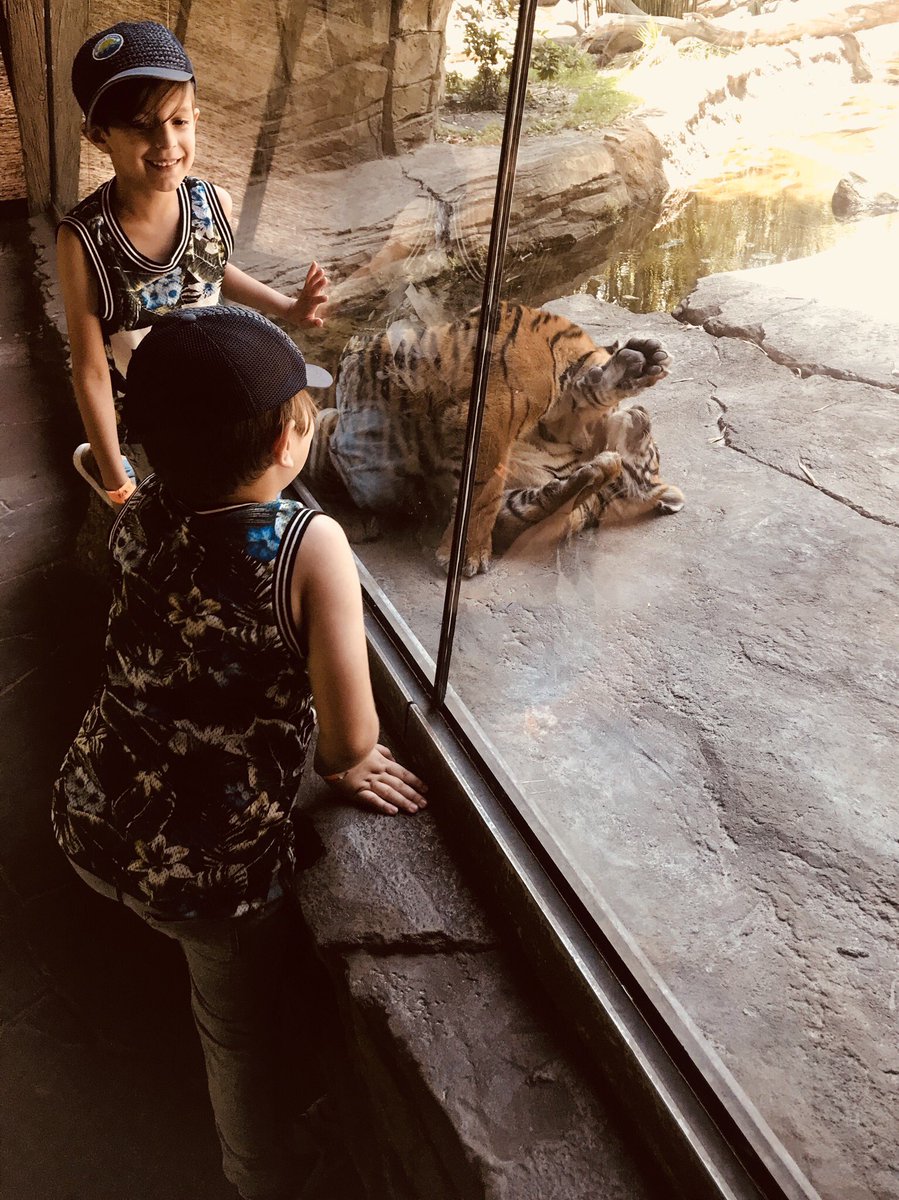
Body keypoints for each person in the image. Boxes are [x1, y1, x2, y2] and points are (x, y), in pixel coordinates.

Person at [52, 305, 428, 1200]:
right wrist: (343, 765)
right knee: (235, 1034)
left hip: (88, 812)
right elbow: (351, 741)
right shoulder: (308, 545)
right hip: (203, 876)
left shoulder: (139, 504)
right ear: (290, 437)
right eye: (303, 412)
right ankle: (256, 1177)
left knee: (176, 946)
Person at [58, 19, 329, 507]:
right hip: (148, 415)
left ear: (195, 119)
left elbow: (212, 269)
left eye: (179, 121)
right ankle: (98, 469)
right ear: (99, 136)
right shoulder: (82, 241)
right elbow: (91, 370)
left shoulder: (212, 202)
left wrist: (287, 308)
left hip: (213, 393)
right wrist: (113, 470)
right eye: (142, 126)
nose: (167, 145)